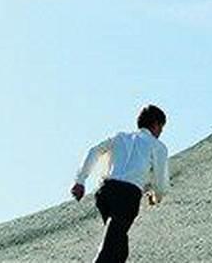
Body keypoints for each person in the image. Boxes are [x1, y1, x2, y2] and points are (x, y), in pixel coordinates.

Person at [70, 104, 170, 263]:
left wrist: (80, 181)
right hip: (128, 196)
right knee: (112, 246)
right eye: (161, 127)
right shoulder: (157, 146)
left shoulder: (120, 137)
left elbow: (94, 151)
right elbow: (161, 181)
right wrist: (156, 196)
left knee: (119, 245)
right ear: (156, 124)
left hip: (105, 192)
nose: (161, 132)